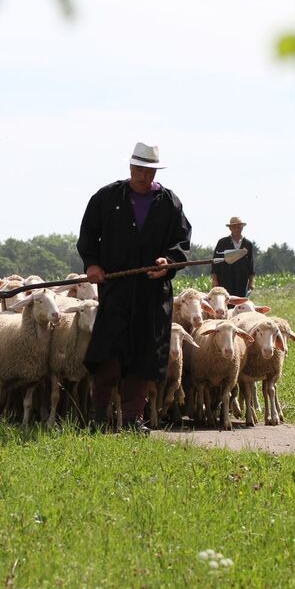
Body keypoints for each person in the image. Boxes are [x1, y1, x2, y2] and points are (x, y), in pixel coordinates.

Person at [77, 142, 193, 433]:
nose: (143, 175)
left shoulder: (169, 202)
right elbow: (89, 234)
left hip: (152, 294)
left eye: (149, 170)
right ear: (130, 168)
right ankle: (99, 417)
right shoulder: (106, 198)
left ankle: (132, 419)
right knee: (109, 354)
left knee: (143, 355)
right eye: (138, 168)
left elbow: (182, 243)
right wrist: (92, 264)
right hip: (116, 289)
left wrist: (169, 262)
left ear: (155, 171)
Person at [211, 216, 255, 297]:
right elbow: (215, 263)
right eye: (234, 227)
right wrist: (214, 280)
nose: (237, 229)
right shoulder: (222, 242)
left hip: (242, 280)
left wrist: (251, 282)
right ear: (230, 228)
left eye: (239, 227)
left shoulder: (248, 244)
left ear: (242, 228)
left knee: (240, 304)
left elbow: (251, 265)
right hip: (225, 279)